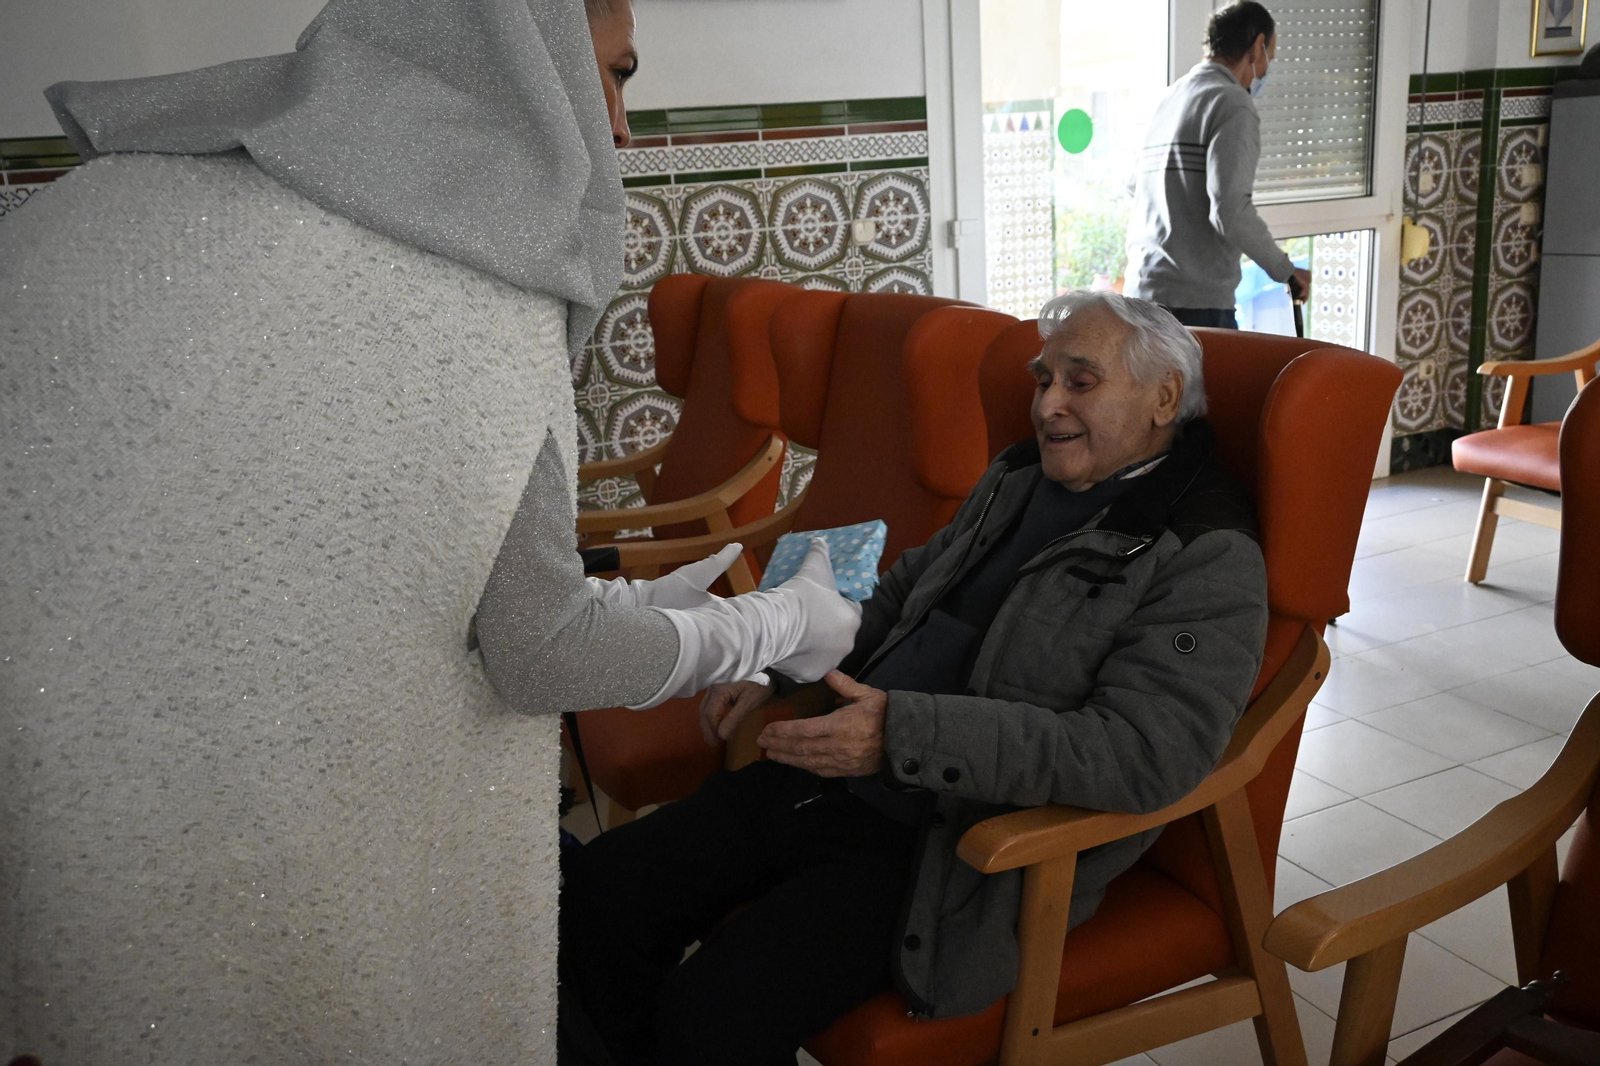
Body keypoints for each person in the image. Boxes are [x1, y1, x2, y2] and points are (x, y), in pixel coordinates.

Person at [0, 0, 858, 1060]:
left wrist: (624, 602)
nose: (624, 130)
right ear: (528, 67)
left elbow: (333, 545)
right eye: (614, 75)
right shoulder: (477, 278)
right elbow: (537, 649)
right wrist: (766, 628)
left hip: (48, 821)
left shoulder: (104, 203)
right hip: (252, 830)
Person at [559, 291, 1272, 1066]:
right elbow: (900, 594)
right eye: (1042, 380)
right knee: (598, 893)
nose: (1046, 406)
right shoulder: (1020, 476)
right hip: (830, 774)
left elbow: (1144, 754)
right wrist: (782, 663)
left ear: (1165, 396)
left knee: (713, 1015)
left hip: (945, 848)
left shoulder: (1204, 552)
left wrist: (901, 733)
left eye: (1080, 381)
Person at [1125, 0, 1313, 329]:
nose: (1267, 68)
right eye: (1271, 55)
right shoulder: (1231, 103)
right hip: (1194, 306)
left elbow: (1132, 186)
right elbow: (1230, 210)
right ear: (1258, 47)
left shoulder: (1168, 99)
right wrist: (1285, 270)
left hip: (1140, 296)